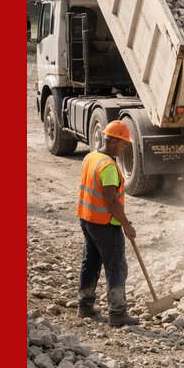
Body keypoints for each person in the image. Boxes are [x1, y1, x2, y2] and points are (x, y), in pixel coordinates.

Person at [76, 120, 139, 326]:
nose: (125, 147)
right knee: (117, 268)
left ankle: (84, 306)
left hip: (87, 219)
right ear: (113, 141)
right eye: (124, 144)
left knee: (91, 262)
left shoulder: (91, 157)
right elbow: (112, 201)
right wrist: (126, 225)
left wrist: (123, 218)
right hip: (105, 224)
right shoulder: (109, 167)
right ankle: (117, 313)